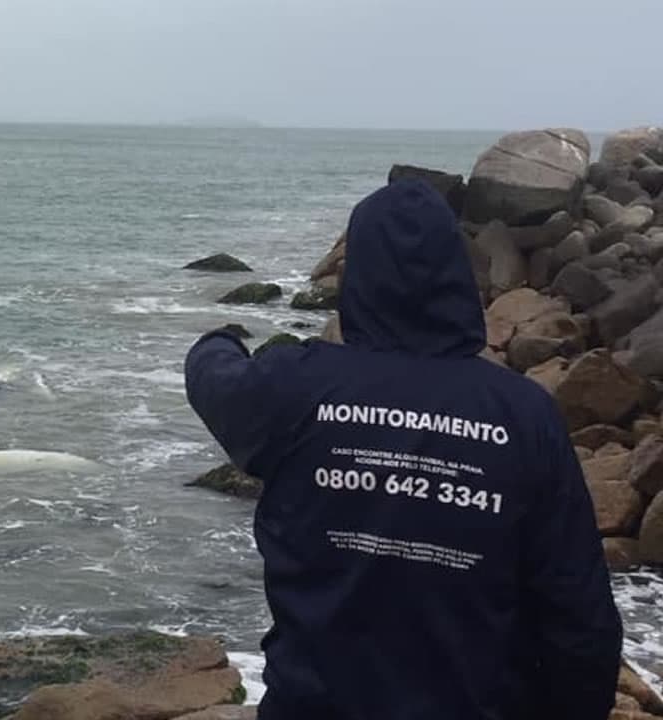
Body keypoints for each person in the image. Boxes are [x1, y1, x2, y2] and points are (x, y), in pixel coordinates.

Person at [184, 179, 623, 720]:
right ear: (459, 277)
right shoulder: (523, 414)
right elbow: (581, 618)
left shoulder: (298, 387)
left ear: (358, 275)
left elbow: (214, 381)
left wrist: (220, 339)